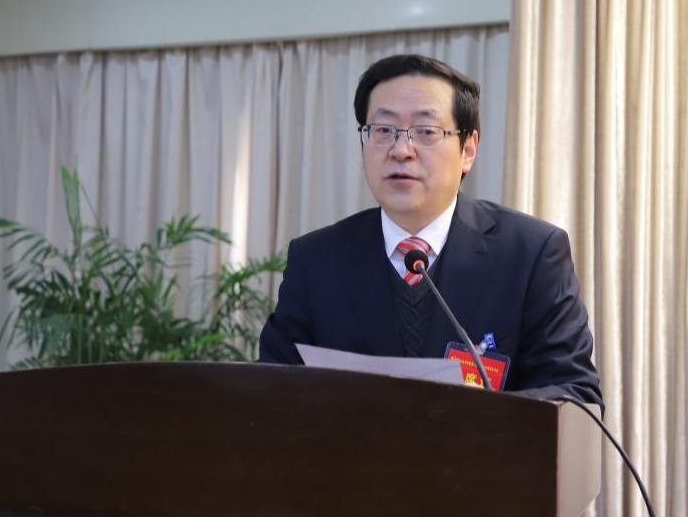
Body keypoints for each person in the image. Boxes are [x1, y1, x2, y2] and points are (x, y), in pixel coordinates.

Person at [258, 54, 602, 405]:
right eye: (383, 130)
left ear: (468, 150)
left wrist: (486, 415)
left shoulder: (531, 254)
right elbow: (269, 393)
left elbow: (575, 395)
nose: (401, 150)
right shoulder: (317, 260)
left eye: (426, 132)